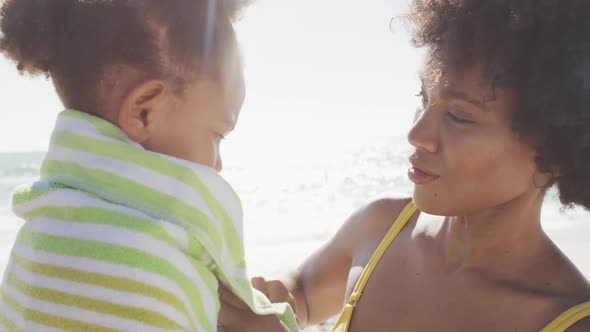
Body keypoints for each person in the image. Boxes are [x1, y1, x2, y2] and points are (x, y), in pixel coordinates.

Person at [217, 0, 590, 331]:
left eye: (459, 116)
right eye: (423, 97)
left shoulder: (567, 320)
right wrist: (264, 301)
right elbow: (299, 293)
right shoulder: (378, 229)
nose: (416, 132)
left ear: (554, 152)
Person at [0, 1, 298, 331]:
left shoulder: (35, 242)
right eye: (217, 135)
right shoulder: (164, 277)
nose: (218, 164)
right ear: (143, 112)